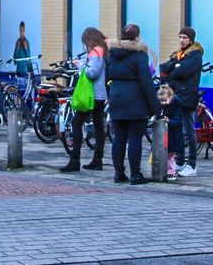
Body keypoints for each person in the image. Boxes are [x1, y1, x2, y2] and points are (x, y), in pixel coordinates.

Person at [106, 24, 158, 185]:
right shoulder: (139, 54)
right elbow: (146, 81)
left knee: (119, 138)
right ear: (137, 37)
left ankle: (118, 173)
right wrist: (155, 107)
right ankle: (135, 175)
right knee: (135, 138)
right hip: (135, 101)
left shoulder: (112, 54)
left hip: (116, 98)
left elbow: (106, 76)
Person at [61, 27, 107, 172]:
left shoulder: (96, 51)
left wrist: (80, 64)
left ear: (90, 39)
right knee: (99, 126)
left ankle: (75, 160)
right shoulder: (102, 50)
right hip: (99, 95)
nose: (86, 45)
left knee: (77, 122)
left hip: (92, 95)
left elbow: (92, 73)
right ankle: (97, 160)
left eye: (86, 42)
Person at [160, 26, 204, 176]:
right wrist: (175, 65)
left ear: (191, 39)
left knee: (189, 131)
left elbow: (183, 71)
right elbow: (163, 69)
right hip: (176, 96)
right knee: (178, 130)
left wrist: (174, 69)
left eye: (185, 38)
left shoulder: (195, 55)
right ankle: (179, 162)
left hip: (188, 97)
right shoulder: (178, 54)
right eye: (180, 37)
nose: (182, 40)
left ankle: (192, 164)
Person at [157, 85, 181, 180]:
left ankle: (171, 172)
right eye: (161, 101)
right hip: (164, 136)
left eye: (164, 100)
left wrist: (169, 121)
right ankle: (165, 170)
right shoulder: (162, 108)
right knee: (165, 156)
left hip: (172, 136)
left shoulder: (174, 107)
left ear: (170, 98)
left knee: (170, 156)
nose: (163, 103)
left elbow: (177, 121)